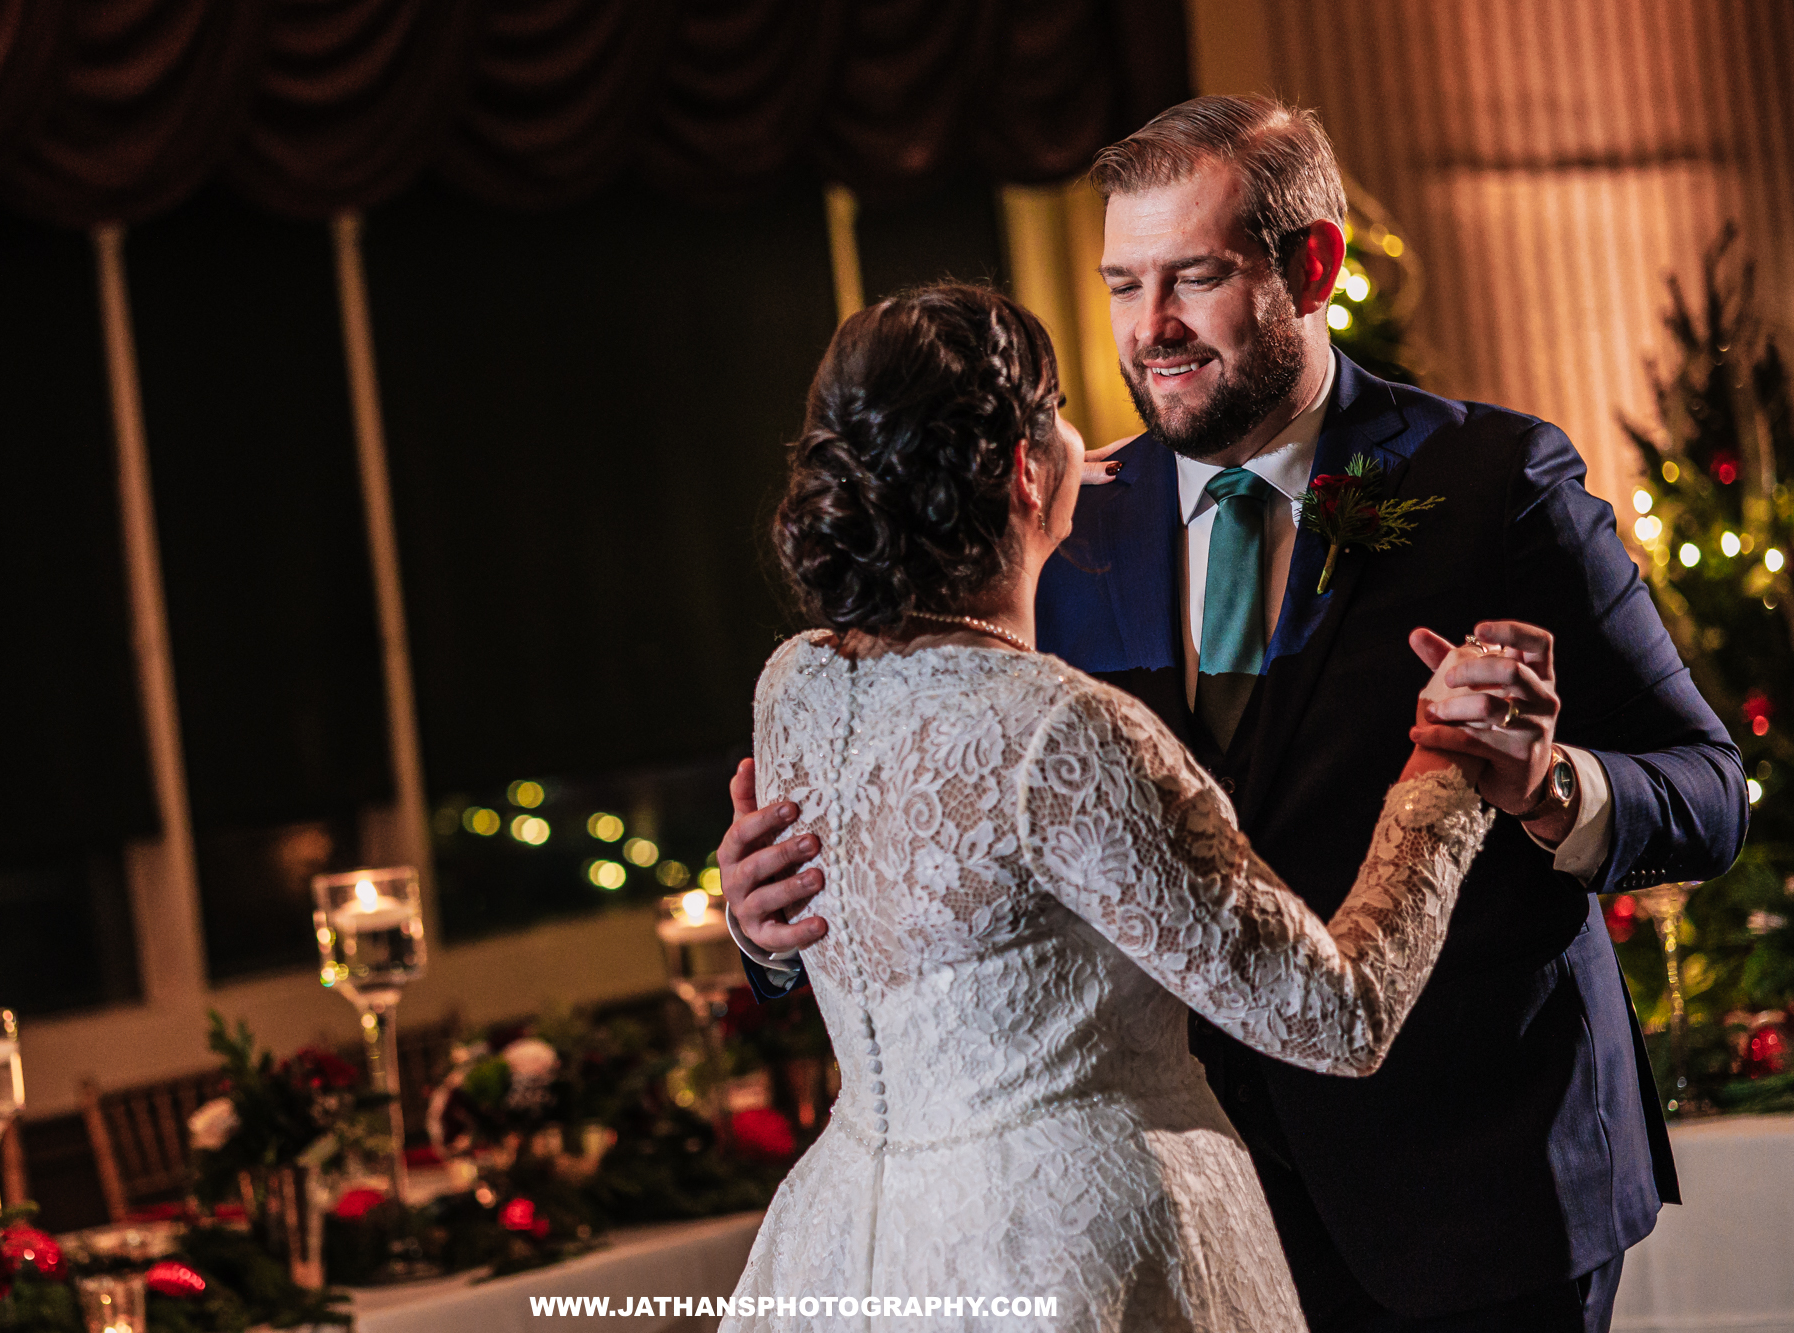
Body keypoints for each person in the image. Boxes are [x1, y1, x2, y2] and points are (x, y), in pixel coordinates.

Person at [720, 98, 1748, 1332]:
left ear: (1310, 266)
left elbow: (1705, 787)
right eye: (1120, 284)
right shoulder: (1059, 518)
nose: (1147, 329)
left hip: (1471, 1187)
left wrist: (1547, 786)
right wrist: (769, 922)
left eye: (1192, 277)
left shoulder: (1498, 487)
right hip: (1182, 1215)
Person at [720, 280, 1492, 1331]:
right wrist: (1445, 769)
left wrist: (760, 935)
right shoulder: (1058, 731)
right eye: (1059, 410)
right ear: (1023, 471)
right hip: (1066, 1249)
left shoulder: (793, 684)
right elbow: (1335, 1015)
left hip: (852, 1244)